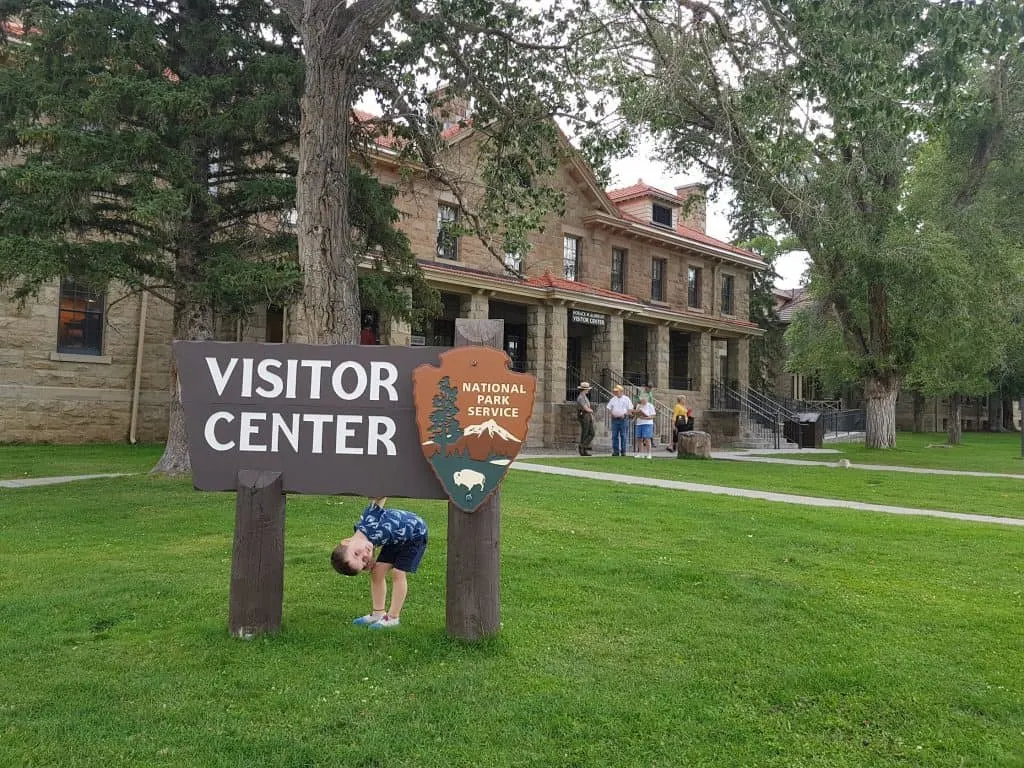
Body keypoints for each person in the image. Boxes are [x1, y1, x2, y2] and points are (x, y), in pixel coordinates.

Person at [331, 496, 428, 629]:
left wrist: (380, 489)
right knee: (376, 572)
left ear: (346, 541)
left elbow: (379, 500)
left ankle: (393, 618)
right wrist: (370, 561)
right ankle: (378, 613)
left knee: (398, 572)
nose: (365, 555)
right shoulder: (367, 542)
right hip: (395, 541)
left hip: (415, 535)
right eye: (364, 561)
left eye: (356, 554)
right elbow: (373, 544)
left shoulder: (368, 521)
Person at [606, 384, 633, 456]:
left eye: (617, 391)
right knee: (614, 436)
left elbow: (630, 409)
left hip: (623, 419)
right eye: (615, 392)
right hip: (614, 419)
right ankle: (616, 451)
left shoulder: (626, 399)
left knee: (623, 435)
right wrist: (612, 413)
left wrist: (624, 414)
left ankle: (623, 451)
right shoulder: (613, 399)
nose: (615, 393)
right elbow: (609, 408)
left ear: (621, 391)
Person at [632, 393, 656, 459]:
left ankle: (649, 454)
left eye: (644, 399)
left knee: (647, 439)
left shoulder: (650, 405)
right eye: (641, 399)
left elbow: (653, 416)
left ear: (647, 399)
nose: (642, 400)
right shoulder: (639, 405)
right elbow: (637, 414)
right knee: (639, 438)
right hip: (639, 423)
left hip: (647, 424)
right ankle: (641, 453)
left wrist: (645, 417)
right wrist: (634, 418)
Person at [576, 381, 595, 456]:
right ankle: (583, 447)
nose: (588, 390)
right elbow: (586, 408)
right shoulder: (581, 397)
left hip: (587, 415)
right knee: (586, 433)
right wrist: (591, 410)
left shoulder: (584, 397)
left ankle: (583, 447)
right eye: (587, 389)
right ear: (584, 389)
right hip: (584, 415)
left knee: (591, 433)